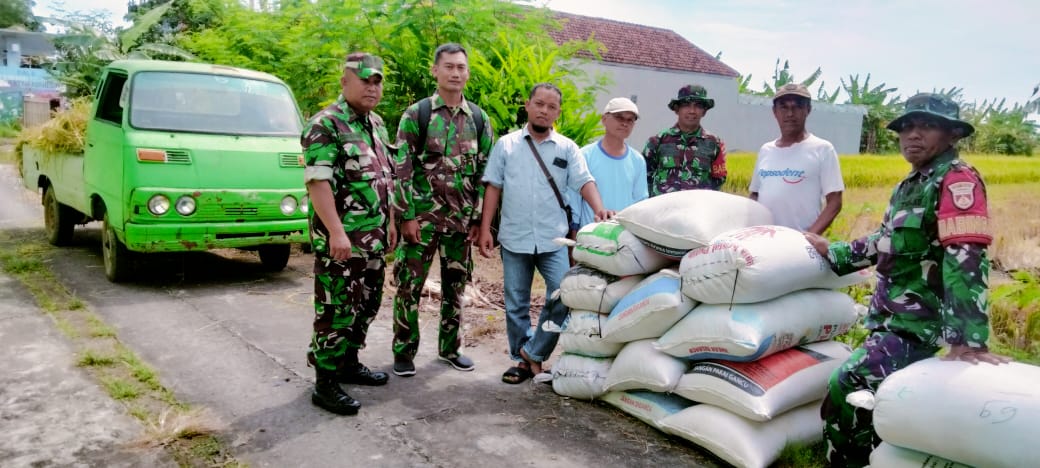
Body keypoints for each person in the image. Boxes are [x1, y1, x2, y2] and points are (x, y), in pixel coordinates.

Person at [804, 93, 1011, 467]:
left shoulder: (956, 180)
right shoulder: (910, 185)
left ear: (952, 135)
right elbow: (884, 242)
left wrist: (966, 340)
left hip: (920, 326)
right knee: (869, 397)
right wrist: (832, 251)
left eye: (927, 126)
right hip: (892, 321)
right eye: (907, 127)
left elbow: (965, 260)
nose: (913, 135)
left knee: (847, 384)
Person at [477, 83, 613, 384]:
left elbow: (584, 181)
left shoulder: (567, 148)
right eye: (539, 103)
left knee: (563, 294)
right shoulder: (507, 145)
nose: (544, 110)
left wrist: (599, 208)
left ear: (557, 113)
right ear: (528, 105)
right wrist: (485, 228)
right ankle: (520, 362)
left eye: (551, 107)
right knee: (516, 303)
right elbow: (493, 187)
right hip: (514, 237)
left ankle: (534, 353)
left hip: (553, 239)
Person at [302, 52, 397, 416]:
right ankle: (325, 383)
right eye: (364, 80)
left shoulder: (376, 124)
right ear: (345, 82)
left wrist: (388, 223)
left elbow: (382, 179)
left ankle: (349, 362)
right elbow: (318, 183)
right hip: (342, 243)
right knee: (335, 309)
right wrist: (336, 233)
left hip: (372, 239)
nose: (372, 87)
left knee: (367, 305)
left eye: (377, 81)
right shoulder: (326, 124)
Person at [390, 43, 493, 377]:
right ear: (435, 71)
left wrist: (478, 220)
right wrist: (406, 215)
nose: (455, 73)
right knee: (409, 286)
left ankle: (450, 348)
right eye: (448, 66)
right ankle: (404, 351)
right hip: (422, 221)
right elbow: (401, 169)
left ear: (467, 72)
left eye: (461, 67)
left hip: (460, 224)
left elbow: (485, 173)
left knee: (455, 289)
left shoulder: (479, 119)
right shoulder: (417, 115)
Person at [750, 83, 844, 234]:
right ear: (775, 112)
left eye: (797, 107)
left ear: (808, 110)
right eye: (784, 107)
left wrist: (808, 238)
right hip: (763, 240)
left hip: (799, 246)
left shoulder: (823, 149)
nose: (790, 114)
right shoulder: (766, 150)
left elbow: (835, 202)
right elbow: (754, 194)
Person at [568, 97, 648, 230]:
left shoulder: (637, 160)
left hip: (624, 236)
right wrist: (574, 234)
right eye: (619, 117)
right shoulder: (584, 155)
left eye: (630, 120)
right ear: (604, 119)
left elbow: (641, 202)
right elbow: (574, 200)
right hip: (590, 234)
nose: (625, 123)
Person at [644, 84, 727, 196]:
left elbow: (719, 178)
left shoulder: (714, 143)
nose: (692, 111)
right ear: (677, 109)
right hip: (664, 208)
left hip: (697, 208)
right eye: (686, 105)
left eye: (698, 106)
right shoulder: (657, 141)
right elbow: (644, 176)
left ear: (704, 111)